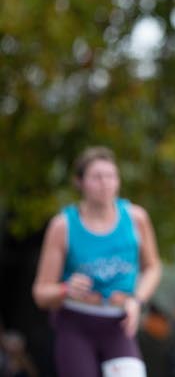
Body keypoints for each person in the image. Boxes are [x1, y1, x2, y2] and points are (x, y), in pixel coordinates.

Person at [32, 146, 162, 377]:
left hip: (119, 324)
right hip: (75, 324)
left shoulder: (136, 218)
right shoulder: (63, 226)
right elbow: (41, 292)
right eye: (97, 177)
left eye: (111, 176)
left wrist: (137, 301)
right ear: (80, 182)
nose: (105, 183)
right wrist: (65, 289)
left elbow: (153, 267)